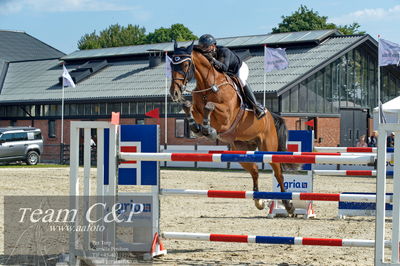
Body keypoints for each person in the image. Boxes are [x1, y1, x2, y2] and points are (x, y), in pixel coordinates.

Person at [197, 34, 266, 119]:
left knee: (241, 80)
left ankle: (256, 106)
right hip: (227, 72)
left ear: (213, 46)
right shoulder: (205, 53)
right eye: (202, 47)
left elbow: (224, 68)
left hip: (238, 68)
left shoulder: (223, 51)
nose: (203, 49)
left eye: (205, 47)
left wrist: (213, 60)